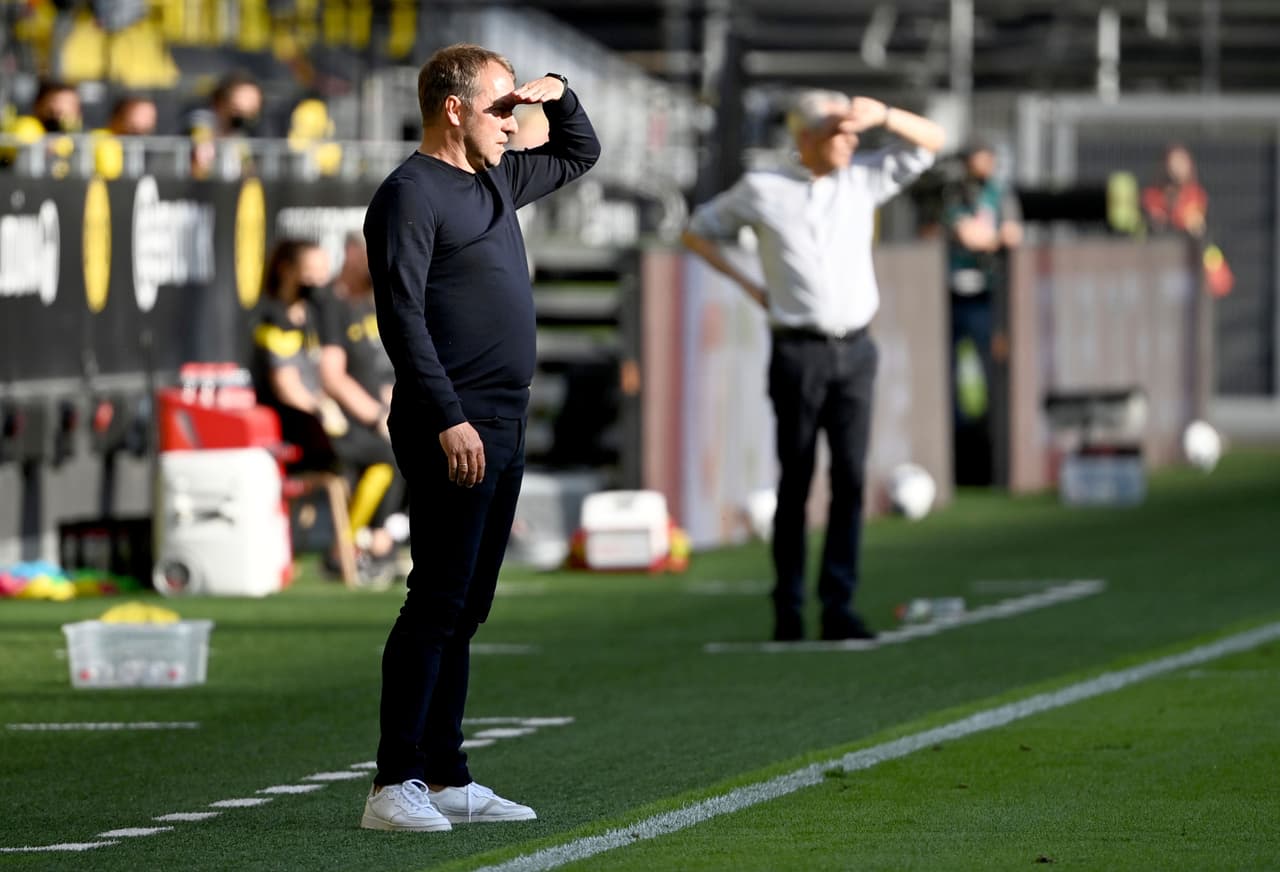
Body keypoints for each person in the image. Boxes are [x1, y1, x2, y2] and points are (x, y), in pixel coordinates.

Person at [361, 43, 598, 832]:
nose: (514, 120)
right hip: (452, 424)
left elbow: (579, 150)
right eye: (502, 106)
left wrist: (557, 92)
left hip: (504, 418)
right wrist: (447, 416)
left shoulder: (496, 177)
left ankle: (447, 771)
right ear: (454, 108)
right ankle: (394, 782)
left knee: (466, 607)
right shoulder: (410, 194)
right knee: (434, 601)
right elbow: (400, 318)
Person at [681, 90, 944, 642]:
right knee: (796, 480)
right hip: (798, 349)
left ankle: (838, 603)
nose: (848, 142)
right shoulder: (766, 190)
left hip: (856, 349)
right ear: (804, 139)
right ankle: (789, 607)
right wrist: (752, 286)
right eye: (835, 133)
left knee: (849, 479)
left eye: (850, 134)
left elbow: (934, 143)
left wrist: (887, 116)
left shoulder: (861, 179)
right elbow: (697, 231)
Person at [250, 238, 403, 583]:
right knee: (386, 454)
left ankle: (363, 542)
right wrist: (324, 407)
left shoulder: (313, 318)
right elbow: (287, 387)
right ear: (288, 271)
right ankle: (353, 547)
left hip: (321, 421)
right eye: (312, 271)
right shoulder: (275, 318)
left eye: (323, 270)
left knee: (388, 455)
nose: (320, 280)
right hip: (297, 426)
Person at [315, 232, 406, 565]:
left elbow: (381, 373)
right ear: (352, 252)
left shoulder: (371, 302)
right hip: (337, 422)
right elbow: (333, 377)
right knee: (390, 452)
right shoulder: (331, 304)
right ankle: (350, 546)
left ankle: (383, 539)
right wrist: (375, 416)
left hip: (373, 413)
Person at [941, 140, 1022, 486]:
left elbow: (1012, 233)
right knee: (948, 376)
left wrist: (991, 238)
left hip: (987, 295)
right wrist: (991, 238)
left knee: (994, 371)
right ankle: (958, 455)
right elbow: (965, 234)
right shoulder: (954, 193)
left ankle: (992, 455)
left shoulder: (1000, 193)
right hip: (952, 294)